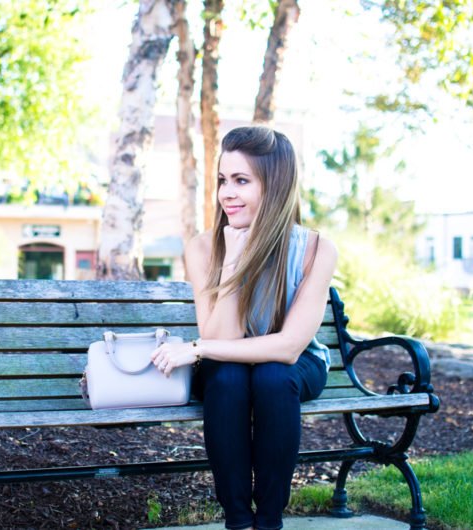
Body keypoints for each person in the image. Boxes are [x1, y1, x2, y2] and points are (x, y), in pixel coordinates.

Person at [150, 126, 337, 530]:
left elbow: (288, 347)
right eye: (222, 180)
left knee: (272, 376)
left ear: (275, 185)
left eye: (241, 180)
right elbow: (221, 339)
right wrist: (235, 261)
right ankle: (237, 521)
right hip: (225, 359)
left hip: (295, 363)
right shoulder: (204, 248)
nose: (226, 193)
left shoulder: (315, 249)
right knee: (231, 378)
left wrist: (199, 348)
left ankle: (268, 522)